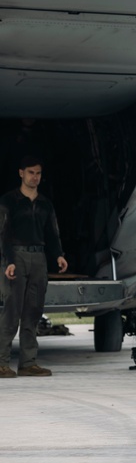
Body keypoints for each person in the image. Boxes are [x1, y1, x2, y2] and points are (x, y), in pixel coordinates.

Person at [0, 155, 68, 378]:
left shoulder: (45, 203)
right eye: (30, 172)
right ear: (21, 173)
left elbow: (52, 232)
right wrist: (8, 261)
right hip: (16, 256)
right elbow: (3, 234)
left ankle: (28, 363)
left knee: (33, 311)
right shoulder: (9, 200)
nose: (34, 177)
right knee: (12, 310)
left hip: (38, 257)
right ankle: (1, 362)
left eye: (38, 173)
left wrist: (58, 255)